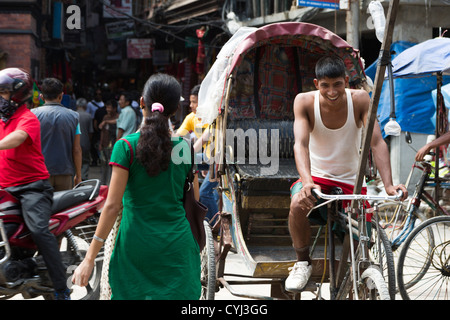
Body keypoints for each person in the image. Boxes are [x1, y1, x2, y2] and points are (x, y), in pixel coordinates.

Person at [72, 73, 201, 300]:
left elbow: (112, 206)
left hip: (135, 249)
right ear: (175, 109)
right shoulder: (184, 149)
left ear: (142, 102)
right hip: (177, 249)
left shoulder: (126, 147)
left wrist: (90, 258)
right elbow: (194, 200)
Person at [285, 56, 408, 292]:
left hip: (351, 182)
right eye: (325, 85)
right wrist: (308, 182)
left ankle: (346, 282)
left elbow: (377, 142)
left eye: (337, 84)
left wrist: (389, 185)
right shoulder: (304, 102)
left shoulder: (361, 99)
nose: (332, 91)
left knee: (356, 240)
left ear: (346, 81)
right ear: (316, 83)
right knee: (297, 204)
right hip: (317, 178)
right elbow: (300, 144)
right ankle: (302, 262)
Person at [0, 68, 70, 299]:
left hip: (32, 187)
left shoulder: (27, 118)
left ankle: (61, 288)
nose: (1, 97)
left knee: (39, 230)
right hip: (5, 189)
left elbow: (18, 138)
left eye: (4, 93)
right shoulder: (2, 120)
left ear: (18, 95)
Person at [32, 78, 82, 191]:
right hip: (65, 172)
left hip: (40, 173)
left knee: (42, 207)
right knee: (64, 208)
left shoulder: (32, 115)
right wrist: (78, 176)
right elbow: (77, 149)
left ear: (42, 97)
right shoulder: (74, 117)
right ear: (61, 96)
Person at [177, 85, 218, 221]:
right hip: (206, 158)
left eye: (194, 102)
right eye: (191, 101)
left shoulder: (214, 117)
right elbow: (178, 136)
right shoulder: (191, 118)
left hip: (219, 160)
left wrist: (190, 155)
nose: (191, 105)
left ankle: (215, 225)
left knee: (204, 193)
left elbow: (204, 139)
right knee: (182, 160)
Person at [98, 99, 119, 185]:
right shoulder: (105, 117)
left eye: (109, 108)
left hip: (113, 145)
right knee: (104, 166)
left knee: (111, 166)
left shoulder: (118, 117)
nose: (108, 109)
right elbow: (103, 131)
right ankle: (103, 185)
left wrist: (106, 122)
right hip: (105, 145)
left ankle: (111, 185)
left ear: (114, 108)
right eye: (107, 107)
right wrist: (100, 143)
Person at [76, 97, 93, 180]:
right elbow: (90, 132)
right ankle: (84, 178)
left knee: (75, 160)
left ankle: (76, 177)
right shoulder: (88, 116)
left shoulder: (72, 114)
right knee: (85, 161)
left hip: (75, 142)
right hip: (85, 141)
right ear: (85, 106)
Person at [87, 88, 104, 166]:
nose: (98, 96)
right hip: (93, 126)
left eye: (99, 94)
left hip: (101, 127)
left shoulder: (103, 104)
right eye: (96, 94)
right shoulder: (90, 104)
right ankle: (94, 159)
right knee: (93, 144)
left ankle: (100, 159)